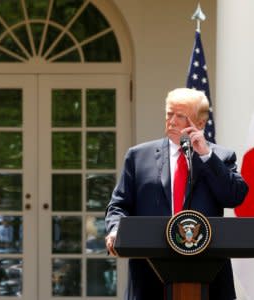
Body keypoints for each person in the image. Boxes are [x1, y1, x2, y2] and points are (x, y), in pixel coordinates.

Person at [105, 88, 248, 300]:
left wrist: (205, 155)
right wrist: (117, 229)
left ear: (199, 124)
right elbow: (119, 205)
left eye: (180, 116)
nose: (171, 121)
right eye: (168, 114)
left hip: (208, 274)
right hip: (149, 275)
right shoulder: (138, 157)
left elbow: (234, 196)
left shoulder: (220, 157)